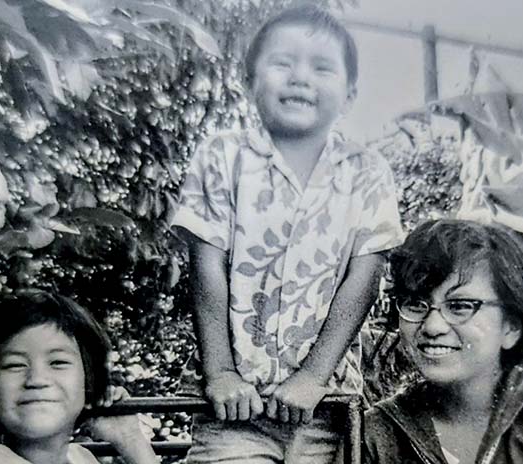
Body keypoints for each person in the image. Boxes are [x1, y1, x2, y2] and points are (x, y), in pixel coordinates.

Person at [171, 4, 404, 463]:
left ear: (350, 93)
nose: (300, 78)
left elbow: (364, 280)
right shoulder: (222, 157)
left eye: (321, 68)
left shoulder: (367, 173)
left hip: (322, 407)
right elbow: (207, 266)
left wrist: (313, 376)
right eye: (282, 63)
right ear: (248, 80)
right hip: (235, 409)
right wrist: (219, 372)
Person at [363, 219, 523, 464]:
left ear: (511, 326)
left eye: (460, 306)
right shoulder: (377, 434)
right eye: (415, 304)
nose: (433, 326)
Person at [0, 290, 158, 464]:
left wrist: (131, 439)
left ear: (88, 378)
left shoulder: (81, 458)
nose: (37, 380)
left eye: (58, 363)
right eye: (15, 365)